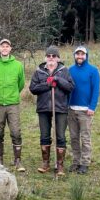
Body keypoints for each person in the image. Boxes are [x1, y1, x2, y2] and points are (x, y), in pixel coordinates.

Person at [29, 46, 74, 176]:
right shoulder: (39, 71)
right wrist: (47, 84)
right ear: (45, 58)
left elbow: (70, 87)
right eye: (49, 56)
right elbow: (33, 88)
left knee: (60, 135)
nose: (51, 58)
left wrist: (58, 80)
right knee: (44, 135)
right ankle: (45, 163)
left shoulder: (64, 71)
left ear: (58, 58)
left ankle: (60, 165)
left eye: (54, 56)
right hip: (43, 108)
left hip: (60, 108)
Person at [0, 39, 26, 172]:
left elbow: (21, 84)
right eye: (2, 46)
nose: (4, 48)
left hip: (13, 103)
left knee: (15, 131)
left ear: (10, 49)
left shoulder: (18, 65)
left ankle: (17, 160)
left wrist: (12, 94)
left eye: (7, 46)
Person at [68, 46, 100, 174]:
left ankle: (85, 162)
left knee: (85, 137)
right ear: (74, 55)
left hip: (85, 110)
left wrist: (92, 107)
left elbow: (96, 90)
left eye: (82, 54)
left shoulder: (93, 71)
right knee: (74, 137)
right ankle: (76, 161)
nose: (80, 56)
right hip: (71, 109)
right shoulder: (70, 70)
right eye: (77, 54)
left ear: (86, 56)